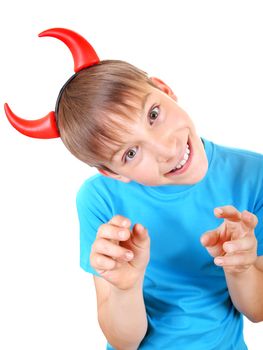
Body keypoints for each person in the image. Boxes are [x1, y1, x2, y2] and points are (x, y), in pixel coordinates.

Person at [5, 28, 263, 350]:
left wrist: (240, 266)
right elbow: (123, 341)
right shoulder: (100, 199)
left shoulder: (253, 175)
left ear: (164, 89)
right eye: (130, 153)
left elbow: (257, 310)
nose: (166, 149)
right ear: (111, 173)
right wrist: (126, 288)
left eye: (153, 114)